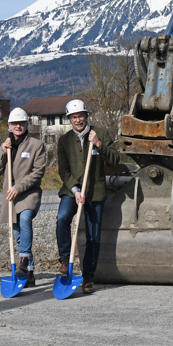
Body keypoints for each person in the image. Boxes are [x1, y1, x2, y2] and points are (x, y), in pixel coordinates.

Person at [56, 99, 120, 295]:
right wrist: (75, 190)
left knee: (93, 235)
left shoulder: (99, 134)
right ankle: (65, 260)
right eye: (73, 117)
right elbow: (63, 170)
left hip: (95, 191)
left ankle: (88, 276)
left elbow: (114, 160)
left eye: (80, 116)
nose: (78, 120)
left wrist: (98, 144)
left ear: (86, 116)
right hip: (72, 190)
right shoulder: (64, 140)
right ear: (69, 119)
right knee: (62, 218)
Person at [0, 107, 46, 287]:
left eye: (21, 123)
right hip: (11, 196)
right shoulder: (6, 145)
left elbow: (38, 172)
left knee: (25, 219)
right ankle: (29, 273)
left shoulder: (36, 145)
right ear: (9, 125)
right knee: (18, 235)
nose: (18, 126)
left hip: (28, 193)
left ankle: (22, 260)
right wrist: (2, 152)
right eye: (14, 123)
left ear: (26, 124)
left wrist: (18, 187)